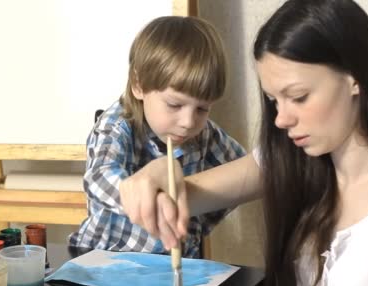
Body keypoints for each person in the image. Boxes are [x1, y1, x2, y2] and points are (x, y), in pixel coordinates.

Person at [119, 0, 368, 286]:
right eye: (274, 101)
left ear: (355, 79)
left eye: (298, 96)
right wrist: (160, 173)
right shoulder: (294, 159)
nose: (281, 119)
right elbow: (188, 193)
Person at [68, 16, 245, 258]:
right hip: (103, 262)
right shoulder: (118, 125)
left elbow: (242, 171)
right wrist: (144, 197)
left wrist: (196, 225)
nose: (188, 122)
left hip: (174, 267)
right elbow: (98, 177)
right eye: (174, 104)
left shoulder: (204, 133)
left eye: (203, 109)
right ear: (138, 85)